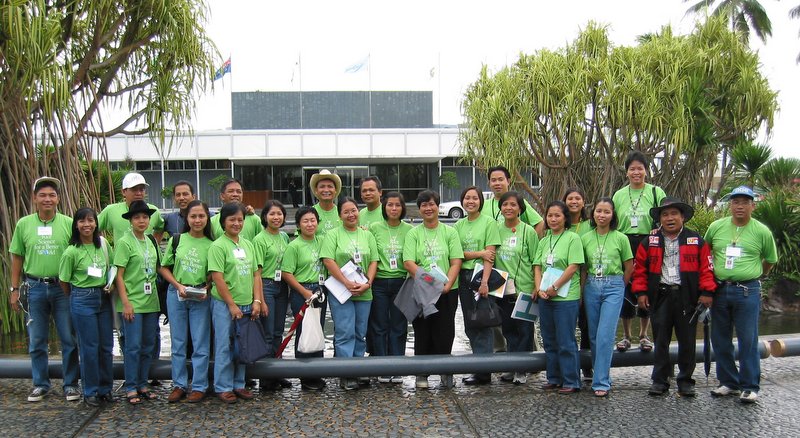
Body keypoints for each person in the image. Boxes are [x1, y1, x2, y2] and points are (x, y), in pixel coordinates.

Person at [633, 197, 716, 397]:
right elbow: (639, 269)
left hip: (687, 297)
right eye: (665, 214)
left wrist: (707, 292)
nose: (669, 218)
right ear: (660, 219)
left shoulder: (695, 240)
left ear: (682, 217)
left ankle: (685, 381)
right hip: (660, 295)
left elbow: (706, 268)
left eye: (674, 214)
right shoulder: (650, 241)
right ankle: (660, 380)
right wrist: (641, 292)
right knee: (660, 339)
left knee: (687, 340)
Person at [9, 177, 80, 403]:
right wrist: (14, 289)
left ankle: (71, 384)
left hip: (62, 287)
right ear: (34, 198)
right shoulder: (24, 224)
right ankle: (40, 384)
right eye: (42, 195)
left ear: (58, 199)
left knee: (68, 338)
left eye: (52, 195)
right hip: (34, 287)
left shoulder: (69, 223)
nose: (47, 199)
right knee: (36, 339)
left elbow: (78, 254)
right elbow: (17, 257)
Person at [705, 186, 778, 403]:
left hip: (747, 290)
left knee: (748, 339)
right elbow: (706, 252)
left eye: (745, 202)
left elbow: (770, 260)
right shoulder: (716, 227)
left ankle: (750, 385)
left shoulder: (761, 231)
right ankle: (728, 382)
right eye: (736, 202)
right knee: (720, 339)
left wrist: (756, 275)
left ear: (753, 206)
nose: (740, 206)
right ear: (730, 205)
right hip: (720, 289)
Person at [403, 190, 464, 389]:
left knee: (445, 331)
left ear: (438, 206)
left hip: (448, 290)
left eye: (432, 204)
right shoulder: (414, 233)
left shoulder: (450, 232)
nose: (428, 208)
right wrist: (431, 282)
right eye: (424, 205)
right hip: (422, 291)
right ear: (419, 209)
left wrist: (447, 285)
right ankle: (422, 373)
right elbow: (409, 263)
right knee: (423, 331)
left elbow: (456, 261)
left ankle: (445, 371)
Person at [208, 202, 264, 403]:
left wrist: (257, 300)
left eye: (240, 220)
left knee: (243, 345)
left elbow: (256, 274)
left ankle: (239, 383)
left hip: (247, 303)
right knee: (224, 345)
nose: (237, 223)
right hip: (224, 305)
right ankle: (223, 386)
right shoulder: (218, 246)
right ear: (223, 222)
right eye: (232, 219)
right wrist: (231, 305)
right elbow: (218, 278)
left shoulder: (247, 244)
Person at [58, 207, 115, 406]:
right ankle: (90, 390)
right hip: (82, 299)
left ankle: (106, 388)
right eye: (82, 221)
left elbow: (112, 268)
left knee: (106, 346)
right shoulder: (71, 251)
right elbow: (64, 281)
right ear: (76, 225)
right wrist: (77, 296)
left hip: (103, 297)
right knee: (89, 348)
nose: (87, 225)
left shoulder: (104, 245)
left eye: (90, 220)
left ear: (96, 223)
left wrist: (111, 284)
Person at [158, 200, 214, 403]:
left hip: (200, 296)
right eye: (193, 216)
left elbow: (216, 271)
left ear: (207, 218)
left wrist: (207, 286)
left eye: (201, 216)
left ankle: (199, 386)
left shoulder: (212, 244)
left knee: (200, 343)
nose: (197, 220)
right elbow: (163, 268)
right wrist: (178, 285)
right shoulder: (177, 239)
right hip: (177, 294)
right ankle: (179, 384)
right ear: (187, 219)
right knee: (178, 342)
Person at [321, 197, 379, 390]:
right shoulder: (333, 234)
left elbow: (374, 261)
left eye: (353, 210)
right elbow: (328, 260)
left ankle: (358, 368)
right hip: (341, 291)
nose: (351, 214)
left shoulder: (367, 235)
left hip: (364, 291)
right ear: (340, 216)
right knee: (344, 332)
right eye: (346, 212)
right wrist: (345, 282)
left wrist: (368, 283)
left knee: (360, 333)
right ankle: (346, 372)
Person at [612, 151, 666, 353]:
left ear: (646, 171)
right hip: (624, 242)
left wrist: (658, 231)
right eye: (632, 169)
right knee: (625, 286)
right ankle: (626, 335)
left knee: (647, 286)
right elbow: (613, 221)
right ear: (626, 172)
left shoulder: (655, 192)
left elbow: (666, 216)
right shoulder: (619, 195)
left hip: (649, 241)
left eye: (640, 168)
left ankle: (644, 334)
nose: (636, 172)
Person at [580, 198, 633, 397]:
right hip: (591, 285)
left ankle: (601, 381)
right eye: (598, 211)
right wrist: (581, 292)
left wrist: (619, 286)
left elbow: (629, 267)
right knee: (594, 335)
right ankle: (602, 375)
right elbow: (584, 268)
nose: (602, 215)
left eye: (606, 212)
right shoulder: (585, 238)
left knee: (605, 334)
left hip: (613, 285)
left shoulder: (621, 238)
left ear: (613, 215)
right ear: (593, 213)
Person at [113, 200, 163, 404]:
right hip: (132, 302)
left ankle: (143, 384)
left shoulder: (151, 241)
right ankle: (131, 386)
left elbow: (159, 268)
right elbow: (118, 275)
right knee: (132, 347)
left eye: (145, 217)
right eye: (137, 217)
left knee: (148, 346)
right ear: (130, 220)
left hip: (151, 302)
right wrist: (125, 303)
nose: (141, 221)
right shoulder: (124, 242)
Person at [534, 201, 584, 394]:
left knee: (566, 340)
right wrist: (539, 288)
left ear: (565, 218)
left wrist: (555, 286)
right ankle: (553, 378)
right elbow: (537, 266)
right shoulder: (544, 240)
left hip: (566, 297)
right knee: (549, 339)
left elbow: (573, 266)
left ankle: (571, 380)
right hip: (546, 297)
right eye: (550, 215)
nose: (553, 219)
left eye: (557, 215)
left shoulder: (572, 238)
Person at [454, 186, 500, 385]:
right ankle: (477, 366)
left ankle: (484, 371)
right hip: (463, 278)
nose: (470, 201)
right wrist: (479, 253)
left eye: (474, 198)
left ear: (480, 201)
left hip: (481, 276)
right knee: (470, 323)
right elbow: (457, 254)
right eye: (467, 198)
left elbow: (490, 255)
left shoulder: (489, 223)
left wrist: (485, 282)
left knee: (483, 323)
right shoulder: (458, 225)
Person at [495, 191, 539, 385]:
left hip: (525, 289)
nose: (509, 208)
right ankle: (512, 365)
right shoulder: (495, 229)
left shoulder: (528, 231)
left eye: (513, 204)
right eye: (505, 204)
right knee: (508, 329)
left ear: (520, 208)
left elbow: (536, 261)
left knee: (525, 330)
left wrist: (537, 286)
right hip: (503, 289)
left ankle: (522, 369)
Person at [368, 192, 412, 383]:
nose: (393, 209)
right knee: (379, 325)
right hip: (379, 282)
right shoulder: (374, 228)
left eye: (397, 205)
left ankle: (397, 366)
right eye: (390, 205)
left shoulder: (409, 230)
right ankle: (382, 366)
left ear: (403, 208)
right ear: (384, 207)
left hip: (401, 281)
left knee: (399, 325)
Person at [282, 207, 328, 390]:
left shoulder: (322, 241)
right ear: (299, 225)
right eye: (305, 221)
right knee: (304, 331)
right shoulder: (294, 246)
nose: (310, 224)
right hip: (302, 292)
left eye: (313, 220)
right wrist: (303, 292)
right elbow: (286, 273)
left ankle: (317, 372)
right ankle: (305, 376)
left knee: (318, 329)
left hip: (320, 290)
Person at [252, 200, 293, 391]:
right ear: (265, 217)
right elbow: (257, 272)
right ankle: (266, 377)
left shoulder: (284, 236)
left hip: (282, 286)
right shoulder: (259, 239)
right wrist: (260, 299)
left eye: (279, 214)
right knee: (267, 333)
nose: (276, 217)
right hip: (266, 285)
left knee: (278, 332)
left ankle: (278, 371)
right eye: (272, 214)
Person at [563, 187, 593, 381]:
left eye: (577, 198)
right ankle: (567, 367)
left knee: (586, 324)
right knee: (566, 327)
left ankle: (587, 365)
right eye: (570, 198)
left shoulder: (591, 225)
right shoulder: (559, 224)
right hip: (564, 282)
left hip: (587, 279)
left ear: (583, 202)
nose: (574, 202)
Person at [98, 172, 164, 242]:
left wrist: (154, 245)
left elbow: (161, 228)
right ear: (123, 192)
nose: (139, 193)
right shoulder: (111, 210)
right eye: (134, 189)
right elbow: (93, 227)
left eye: (141, 189)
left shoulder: (153, 211)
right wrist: (102, 245)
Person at [481, 165, 544, 236]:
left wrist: (531, 240)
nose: (497, 183)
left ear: (508, 181)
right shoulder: (483, 205)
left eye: (500, 179)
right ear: (489, 183)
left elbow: (540, 223)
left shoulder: (517, 202)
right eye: (493, 180)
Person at [310, 169, 343, 238]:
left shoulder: (342, 213)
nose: (326, 190)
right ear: (316, 190)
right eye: (322, 186)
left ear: (335, 190)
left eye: (330, 186)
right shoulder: (309, 213)